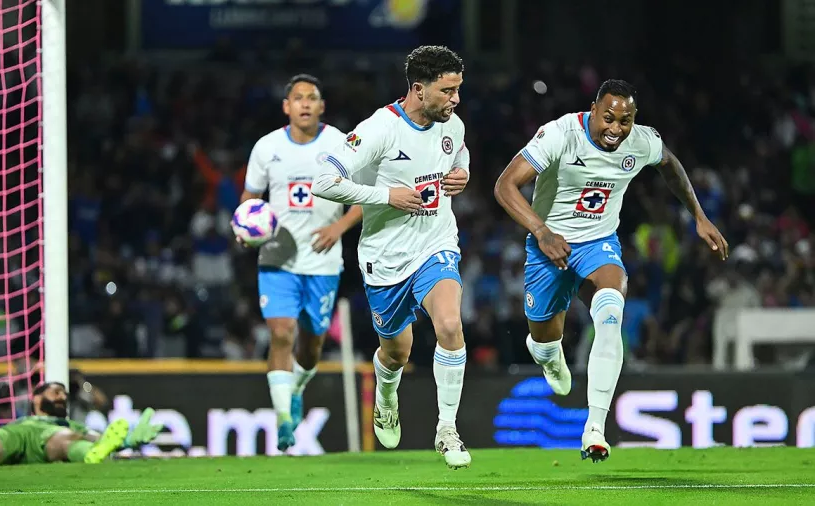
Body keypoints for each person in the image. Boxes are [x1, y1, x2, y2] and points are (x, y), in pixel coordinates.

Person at [493, 79, 729, 463]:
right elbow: (505, 185)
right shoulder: (560, 134)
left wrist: (698, 217)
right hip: (548, 244)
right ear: (593, 109)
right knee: (544, 335)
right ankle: (548, 353)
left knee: (610, 311)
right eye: (608, 119)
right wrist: (542, 231)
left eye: (625, 121)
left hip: (599, 242)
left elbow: (670, 163)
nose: (616, 129)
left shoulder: (640, 141)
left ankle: (595, 428)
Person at [312, 45, 472, 469]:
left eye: (458, 89)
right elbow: (323, 182)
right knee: (397, 352)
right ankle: (386, 395)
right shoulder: (379, 129)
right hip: (385, 257)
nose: (456, 100)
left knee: (451, 325)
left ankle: (447, 428)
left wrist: (463, 172)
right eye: (448, 90)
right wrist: (387, 195)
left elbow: (459, 153)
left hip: (436, 244)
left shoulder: (451, 124)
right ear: (419, 89)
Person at [239, 74, 363, 452]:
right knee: (281, 334)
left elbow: (364, 197)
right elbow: (250, 199)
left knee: (310, 346)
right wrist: (245, 226)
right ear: (286, 106)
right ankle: (283, 421)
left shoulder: (341, 144)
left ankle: (297, 388)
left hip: (323, 262)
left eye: (313, 98)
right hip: (277, 258)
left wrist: (338, 228)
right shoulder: (267, 148)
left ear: (322, 106)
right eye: (298, 98)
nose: (305, 104)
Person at [0, 381, 162, 471]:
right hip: (19, 433)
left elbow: (99, 439)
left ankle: (91, 456)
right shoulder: (20, 423)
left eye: (64, 394)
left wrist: (126, 441)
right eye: (56, 392)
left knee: (68, 441)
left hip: (53, 435)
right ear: (36, 398)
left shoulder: (70, 425)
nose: (62, 397)